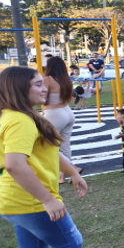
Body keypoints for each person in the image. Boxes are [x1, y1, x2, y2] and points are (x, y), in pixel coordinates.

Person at [0, 66, 96, 248]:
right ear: (19, 89)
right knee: (70, 244)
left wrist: (72, 172)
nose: (45, 87)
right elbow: (15, 164)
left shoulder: (20, 116)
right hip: (29, 202)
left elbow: (48, 151)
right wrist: (48, 199)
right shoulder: (20, 120)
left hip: (13, 200)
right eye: (38, 84)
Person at [43, 57, 79, 185]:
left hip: (54, 113)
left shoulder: (47, 80)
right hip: (67, 112)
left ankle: (72, 169)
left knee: (47, 144)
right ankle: (63, 176)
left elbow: (41, 97)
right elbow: (70, 98)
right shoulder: (66, 80)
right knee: (64, 145)